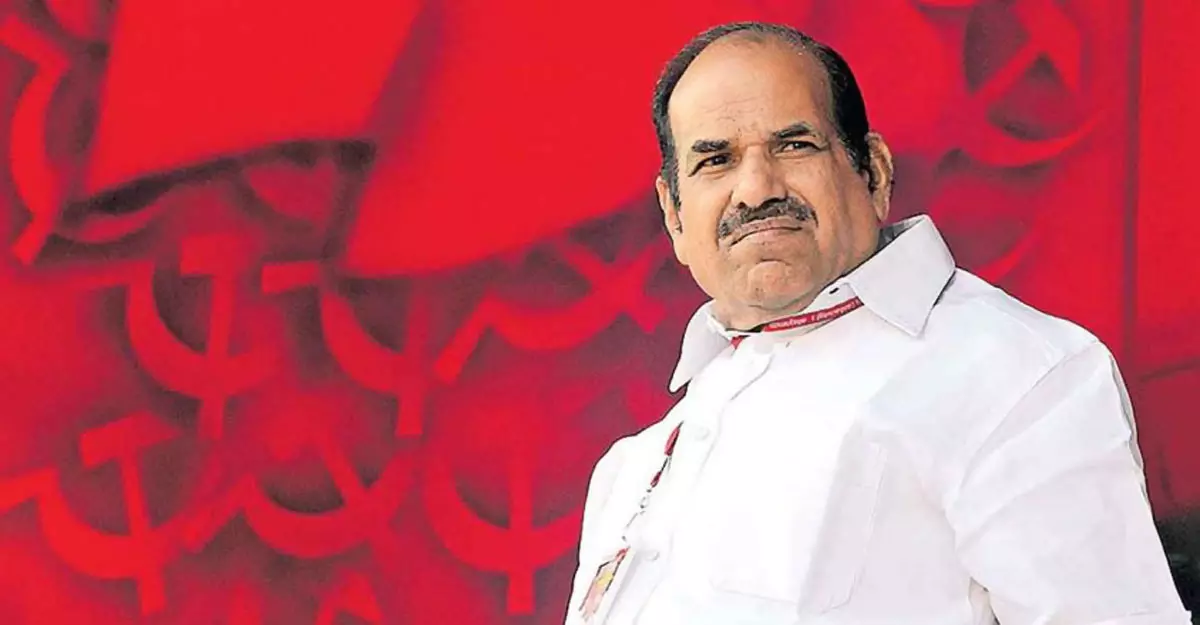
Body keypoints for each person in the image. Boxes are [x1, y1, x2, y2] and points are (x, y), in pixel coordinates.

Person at [563, 21, 1189, 625]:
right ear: (674, 216)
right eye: (715, 161)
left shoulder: (1015, 375)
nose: (755, 190)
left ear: (873, 172)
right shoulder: (635, 465)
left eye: (794, 145)